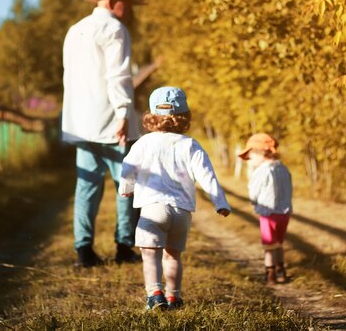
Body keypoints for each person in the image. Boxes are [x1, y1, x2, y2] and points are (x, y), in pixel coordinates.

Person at [119, 86, 231, 310]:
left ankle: (155, 294)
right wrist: (220, 202)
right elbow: (206, 175)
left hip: (153, 208)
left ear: (152, 115)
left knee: (150, 253)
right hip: (181, 212)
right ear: (184, 116)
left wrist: (126, 187)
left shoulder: (143, 143)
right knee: (172, 256)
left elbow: (128, 168)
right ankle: (174, 297)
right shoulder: (190, 145)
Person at [62, 0, 146, 267]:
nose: (130, 10)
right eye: (127, 3)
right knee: (126, 184)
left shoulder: (75, 30)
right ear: (113, 2)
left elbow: (70, 76)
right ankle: (124, 246)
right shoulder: (114, 29)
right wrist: (124, 112)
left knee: (86, 186)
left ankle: (83, 251)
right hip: (111, 119)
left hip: (80, 121)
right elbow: (118, 76)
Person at [238, 133, 293, 284]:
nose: (250, 161)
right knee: (279, 243)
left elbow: (253, 191)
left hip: (268, 213)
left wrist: (254, 203)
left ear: (261, 153)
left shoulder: (261, 171)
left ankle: (270, 274)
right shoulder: (283, 169)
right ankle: (281, 270)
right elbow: (289, 188)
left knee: (269, 245)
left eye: (251, 157)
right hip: (284, 213)